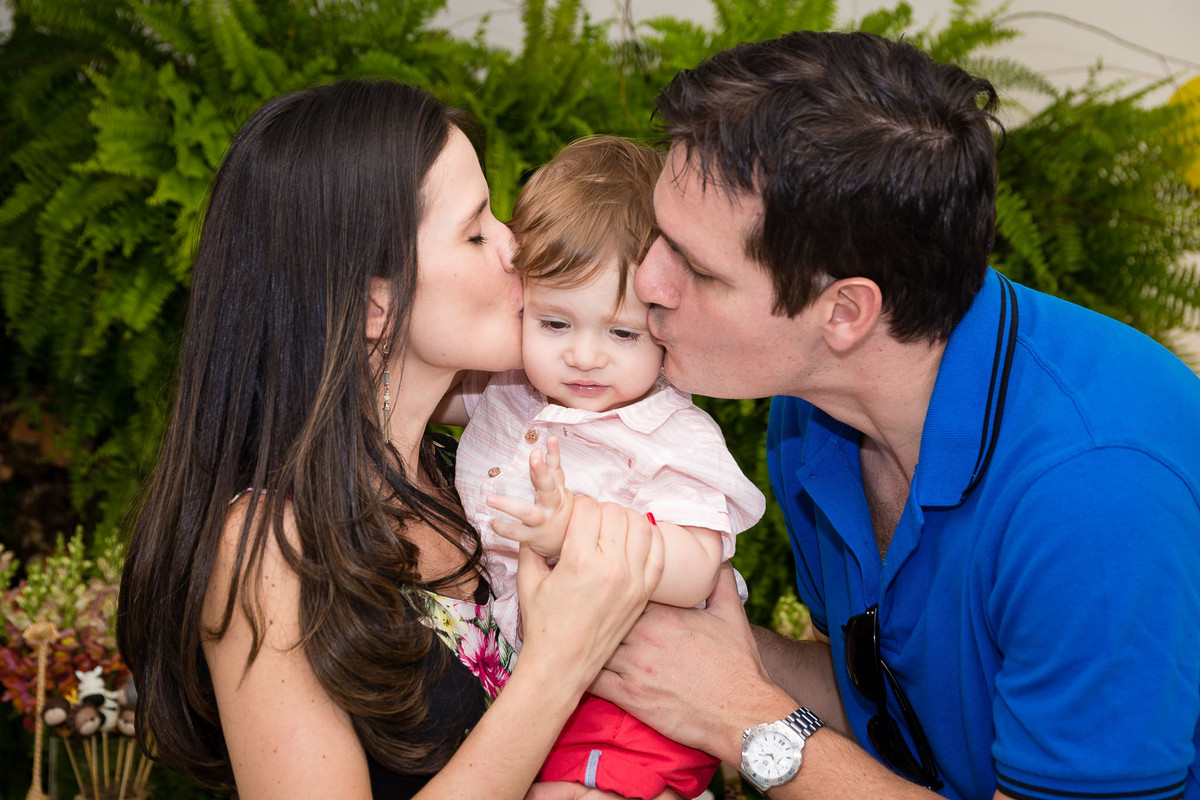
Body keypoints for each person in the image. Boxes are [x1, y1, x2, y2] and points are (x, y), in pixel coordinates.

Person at [589, 30, 1200, 800]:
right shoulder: (814, 413)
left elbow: (763, 718)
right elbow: (884, 706)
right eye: (657, 237)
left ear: (844, 311)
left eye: (697, 268)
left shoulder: (1094, 499)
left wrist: (743, 716)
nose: (645, 281)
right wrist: (678, 640)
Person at [116, 79, 664, 800]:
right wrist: (558, 663)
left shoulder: (472, 473)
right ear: (376, 302)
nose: (514, 247)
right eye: (475, 231)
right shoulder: (269, 550)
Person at [441, 135, 764, 799]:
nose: (585, 357)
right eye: (555, 324)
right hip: (530, 679)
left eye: (621, 334)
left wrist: (573, 533)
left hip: (631, 692)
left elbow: (699, 566)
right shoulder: (505, 392)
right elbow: (410, 383)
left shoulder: (669, 433)